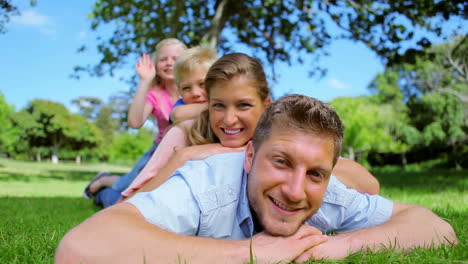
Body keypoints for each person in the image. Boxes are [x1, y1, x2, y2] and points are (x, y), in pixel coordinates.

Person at [56, 94, 457, 263]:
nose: (296, 191)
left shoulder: (328, 194)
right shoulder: (206, 185)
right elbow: (79, 248)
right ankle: (101, 183)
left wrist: (343, 246)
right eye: (281, 162)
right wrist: (250, 253)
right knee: (112, 200)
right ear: (249, 155)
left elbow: (437, 228)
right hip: (150, 195)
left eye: (315, 173)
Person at [121, 52, 379, 199]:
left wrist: (227, 152)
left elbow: (369, 185)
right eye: (218, 105)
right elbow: (131, 201)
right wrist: (185, 157)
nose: (229, 119)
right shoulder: (184, 134)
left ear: (266, 105)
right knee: (111, 194)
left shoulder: (280, 137)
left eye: (243, 105)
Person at [83, 38, 187, 207]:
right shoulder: (155, 94)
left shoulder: (195, 89)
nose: (169, 63)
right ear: (155, 64)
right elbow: (135, 122)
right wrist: (145, 81)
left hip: (184, 152)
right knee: (128, 185)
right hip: (158, 152)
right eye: (163, 59)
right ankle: (103, 181)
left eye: (175, 59)